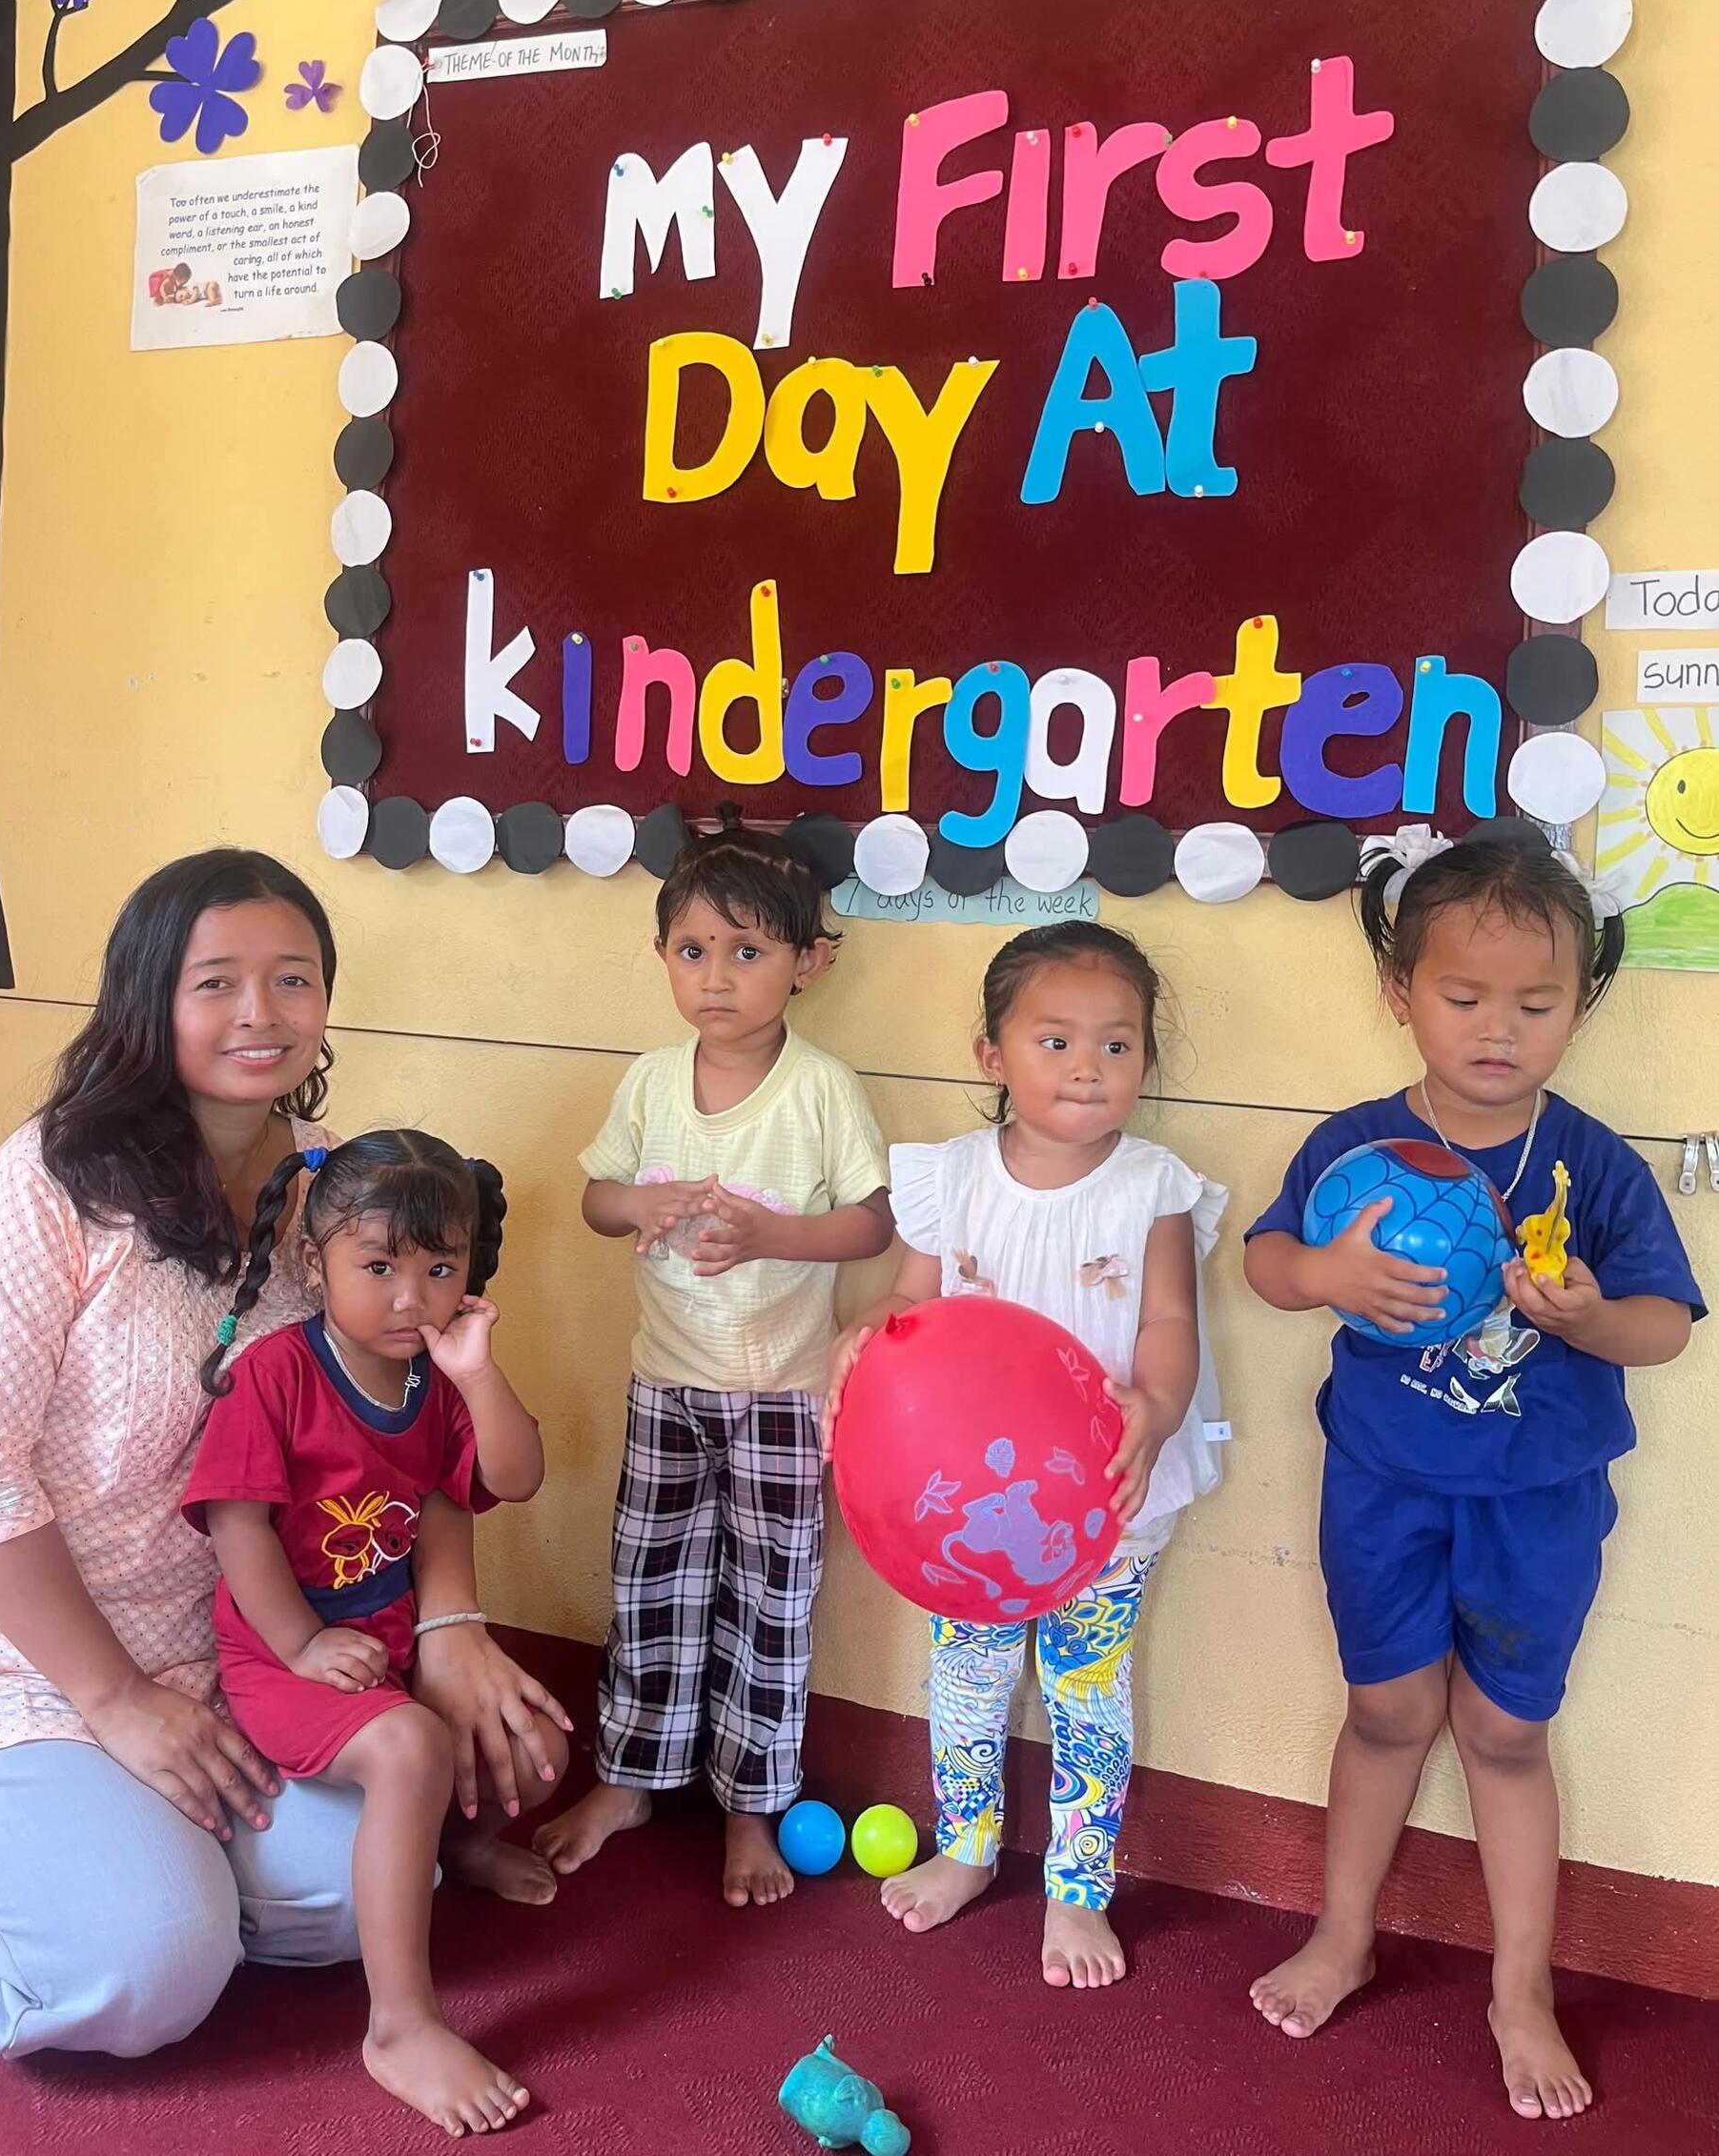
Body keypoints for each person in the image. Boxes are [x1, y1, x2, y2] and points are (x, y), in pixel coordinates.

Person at [0, 849, 569, 2060]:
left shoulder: (339, 1194)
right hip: (9, 1652)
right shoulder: (39, 1189)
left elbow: (419, 1425)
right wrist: (115, 1700)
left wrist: (451, 1624)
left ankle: (117, 1866)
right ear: (148, 998)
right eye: (217, 981)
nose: (262, 1012)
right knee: (150, 1971)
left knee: (361, 1891)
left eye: (293, 977)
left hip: (238, 1654)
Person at [1242, 833, 1702, 2122]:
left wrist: (1586, 1316)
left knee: (1505, 1733)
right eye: (1463, 995)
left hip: (1537, 1497)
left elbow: (1663, 1327)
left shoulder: (1592, 1163)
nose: (1498, 1028)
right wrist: (1322, 1273)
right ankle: (1344, 1935)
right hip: (1382, 1483)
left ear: (1581, 1006)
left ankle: (1519, 1987)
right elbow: (1267, 1262)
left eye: (1536, 1003)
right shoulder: (1356, 1147)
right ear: (1400, 992)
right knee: (1385, 1713)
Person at [823, 920, 1225, 1990]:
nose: (1088, 1065)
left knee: (1085, 1690)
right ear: (992, 1055)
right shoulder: (951, 1177)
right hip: (968, 1506)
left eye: (1116, 1043)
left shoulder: (1153, 1186)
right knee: (969, 1672)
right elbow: (912, 1303)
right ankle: (966, 1846)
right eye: (1055, 1040)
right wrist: (864, 1335)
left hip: (1105, 1497)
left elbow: (1170, 1324)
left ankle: (1078, 1886)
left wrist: (1160, 1403)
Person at [534, 812, 892, 1906]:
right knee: (651, 1586)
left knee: (770, 1604)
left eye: (747, 950)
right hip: (667, 1383)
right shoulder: (652, 1081)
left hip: (784, 1393)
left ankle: (751, 1803)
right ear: (662, 957)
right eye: (693, 950)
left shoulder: (820, 1087)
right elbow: (597, 1197)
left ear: (808, 963)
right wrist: (636, 1203)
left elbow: (872, 1221)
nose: (717, 976)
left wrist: (774, 1232)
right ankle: (629, 1776)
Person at [186, 1129, 549, 2135]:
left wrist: (478, 1373)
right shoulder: (275, 1372)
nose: (410, 1299)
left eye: (440, 1270)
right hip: (280, 1658)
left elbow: (516, 1476)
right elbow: (237, 1524)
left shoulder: (438, 1379)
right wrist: (301, 1643)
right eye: (379, 1267)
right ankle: (400, 2026)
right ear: (316, 1263)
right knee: (413, 1745)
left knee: (531, 1747)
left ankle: (457, 1849)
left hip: (391, 1642)